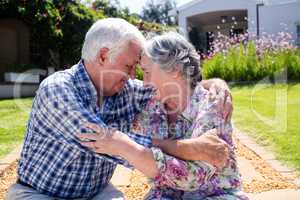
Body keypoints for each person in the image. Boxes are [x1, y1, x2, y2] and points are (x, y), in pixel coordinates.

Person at [6, 18, 232, 200]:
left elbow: (173, 85)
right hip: (38, 193)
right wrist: (192, 148)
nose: (135, 76)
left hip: (97, 193)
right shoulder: (57, 90)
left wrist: (212, 84)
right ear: (103, 56)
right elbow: (110, 143)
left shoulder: (124, 90)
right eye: (129, 66)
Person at [78, 32, 248, 199]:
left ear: (174, 69)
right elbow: (145, 154)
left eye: (146, 72)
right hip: (167, 195)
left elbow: (194, 176)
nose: (144, 82)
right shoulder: (152, 105)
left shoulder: (214, 103)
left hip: (216, 194)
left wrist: (127, 146)